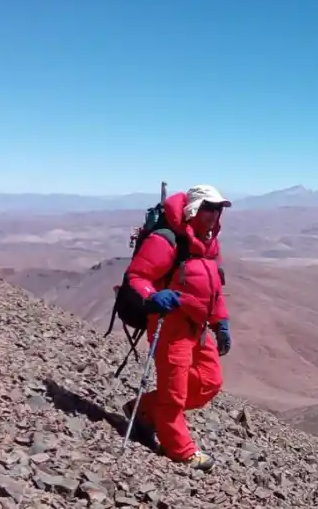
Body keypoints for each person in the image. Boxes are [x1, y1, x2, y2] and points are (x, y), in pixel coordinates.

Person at [121, 184, 233, 471]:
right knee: (174, 393)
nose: (213, 214)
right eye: (208, 208)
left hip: (198, 326)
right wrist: (152, 295)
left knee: (209, 382)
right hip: (169, 324)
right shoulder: (166, 239)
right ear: (194, 208)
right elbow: (137, 275)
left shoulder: (208, 243)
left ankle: (143, 409)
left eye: (217, 209)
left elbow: (214, 288)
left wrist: (221, 322)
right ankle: (181, 451)